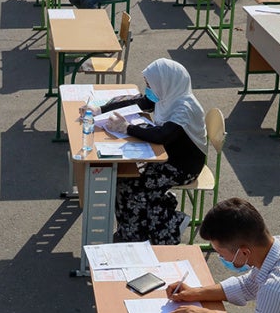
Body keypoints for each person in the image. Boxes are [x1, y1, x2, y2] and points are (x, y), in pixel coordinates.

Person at [86, 59, 208, 244]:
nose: (148, 89)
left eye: (150, 85)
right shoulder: (166, 95)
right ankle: (131, 232)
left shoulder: (184, 108)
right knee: (124, 180)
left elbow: (162, 136)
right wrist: (100, 110)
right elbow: (139, 103)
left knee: (133, 188)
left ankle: (167, 225)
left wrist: (127, 128)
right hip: (162, 156)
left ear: (165, 82)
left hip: (182, 166)